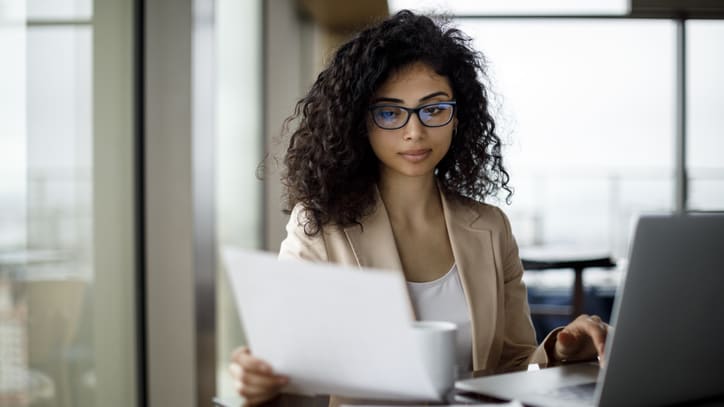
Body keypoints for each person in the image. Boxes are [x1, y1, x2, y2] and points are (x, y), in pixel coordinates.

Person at [229, 9, 609, 406]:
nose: (415, 131)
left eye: (434, 108)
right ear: (360, 121)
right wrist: (262, 379)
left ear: (458, 117)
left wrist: (560, 350)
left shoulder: (492, 227)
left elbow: (512, 364)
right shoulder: (321, 227)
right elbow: (293, 370)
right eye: (390, 112)